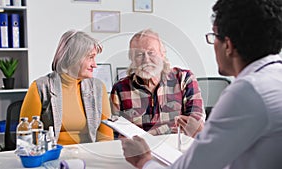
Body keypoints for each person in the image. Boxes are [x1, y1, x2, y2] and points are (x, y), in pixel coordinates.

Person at [121, 0, 282, 168]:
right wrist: (203, 134)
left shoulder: (246, 92)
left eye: (213, 38)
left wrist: (143, 161)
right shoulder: (273, 80)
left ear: (228, 45)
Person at [20, 30, 114, 145]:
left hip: (89, 156)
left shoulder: (98, 88)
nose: (94, 64)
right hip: (53, 156)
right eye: (90, 58)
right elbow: (27, 137)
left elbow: (106, 136)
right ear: (74, 57)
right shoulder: (41, 87)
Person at [110, 29, 205, 138]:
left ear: (162, 54)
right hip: (140, 151)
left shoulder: (184, 78)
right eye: (139, 54)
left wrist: (149, 135)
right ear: (132, 59)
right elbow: (117, 134)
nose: (146, 60)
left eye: (151, 53)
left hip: (178, 148)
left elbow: (194, 123)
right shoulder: (120, 89)